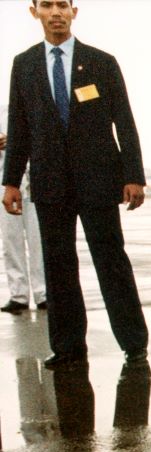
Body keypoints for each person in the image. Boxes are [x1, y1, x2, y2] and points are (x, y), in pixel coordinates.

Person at [2, 0, 148, 369]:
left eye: (62, 5)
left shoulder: (101, 61)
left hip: (98, 179)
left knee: (111, 260)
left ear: (74, 11)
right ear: (33, 11)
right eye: (47, 5)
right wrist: (11, 182)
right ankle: (67, 347)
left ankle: (134, 342)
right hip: (50, 182)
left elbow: (125, 122)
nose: (56, 13)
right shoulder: (24, 65)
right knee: (58, 265)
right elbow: (19, 129)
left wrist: (133, 176)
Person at [0, 105, 46, 314]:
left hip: (35, 181)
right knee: (11, 241)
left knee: (39, 240)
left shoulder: (32, 109)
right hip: (5, 185)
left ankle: (43, 293)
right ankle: (18, 295)